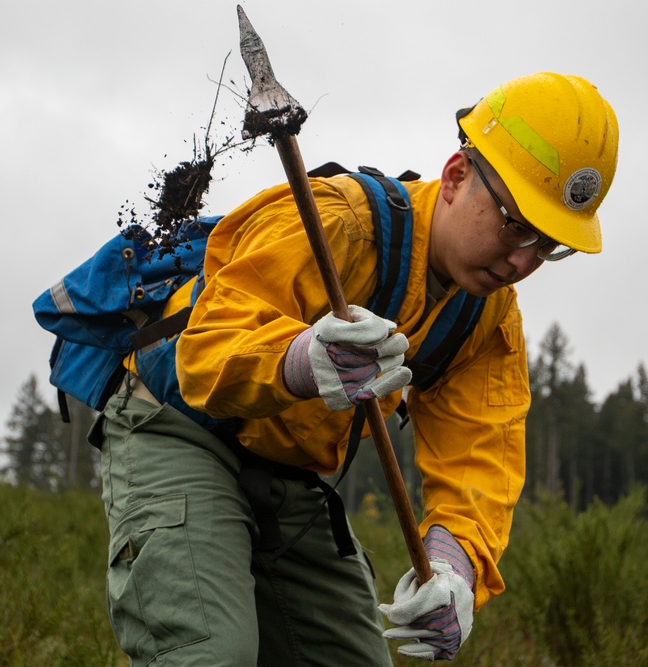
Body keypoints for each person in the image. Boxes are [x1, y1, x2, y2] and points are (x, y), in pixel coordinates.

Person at [92, 71, 619, 665]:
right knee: (211, 654)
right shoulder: (339, 222)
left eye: (548, 244)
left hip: (290, 476)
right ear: (456, 176)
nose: (523, 260)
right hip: (178, 430)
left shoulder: (487, 321)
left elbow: (481, 461)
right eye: (515, 224)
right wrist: (300, 359)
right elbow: (205, 350)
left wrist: (453, 568)